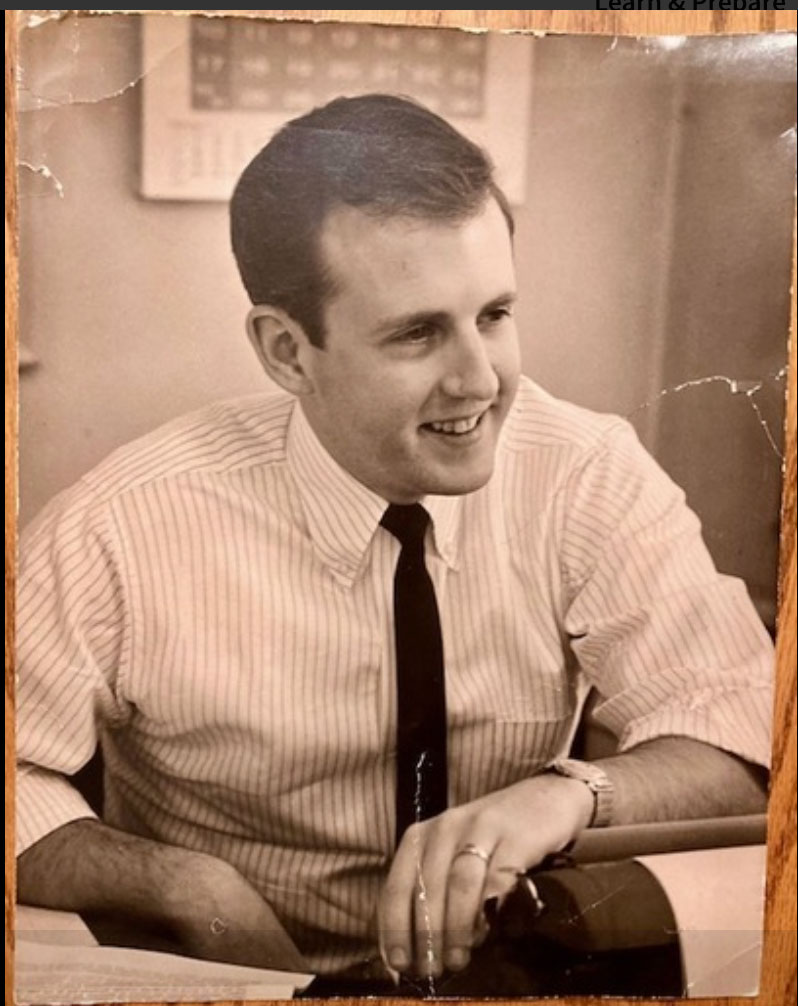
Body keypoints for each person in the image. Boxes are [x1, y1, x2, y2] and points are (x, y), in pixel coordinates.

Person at [16, 94, 772, 989]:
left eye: (494, 314)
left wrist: (571, 795)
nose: (481, 380)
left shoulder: (588, 472)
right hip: (236, 981)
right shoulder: (120, 522)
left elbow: (743, 736)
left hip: (522, 972)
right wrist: (185, 885)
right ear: (288, 352)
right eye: (418, 333)